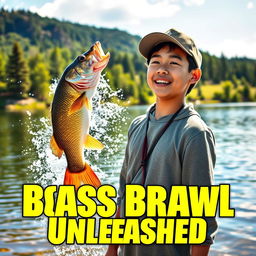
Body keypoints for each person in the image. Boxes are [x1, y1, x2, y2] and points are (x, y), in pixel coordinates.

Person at [105, 28, 218, 256]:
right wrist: (111, 250)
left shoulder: (194, 133)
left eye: (174, 63)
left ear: (193, 76)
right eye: (155, 62)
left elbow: (202, 218)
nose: (162, 69)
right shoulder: (137, 125)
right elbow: (124, 194)